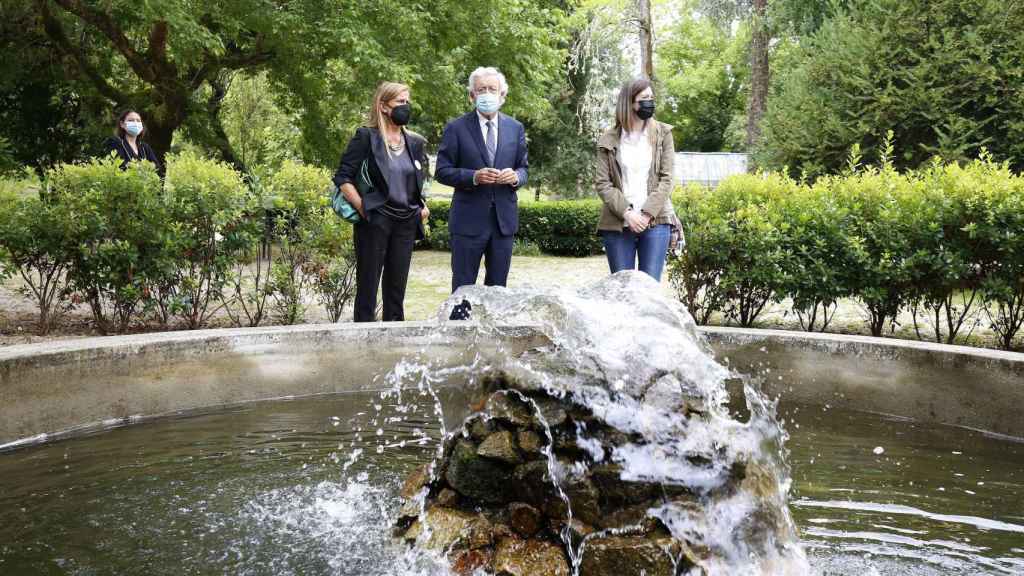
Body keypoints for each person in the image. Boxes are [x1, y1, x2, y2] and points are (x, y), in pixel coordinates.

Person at [332, 82, 430, 322]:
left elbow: (415, 178)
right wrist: (363, 208)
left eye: (407, 102)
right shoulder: (366, 137)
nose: (405, 107)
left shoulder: (414, 142)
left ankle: (394, 343)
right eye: (400, 102)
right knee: (368, 286)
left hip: (406, 221)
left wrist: (422, 206)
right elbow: (343, 177)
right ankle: (363, 341)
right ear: (384, 106)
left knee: (396, 290)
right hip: (376, 219)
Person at [436, 66, 529, 293]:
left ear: (502, 95)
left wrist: (515, 177)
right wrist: (473, 177)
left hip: (502, 223)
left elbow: (524, 168)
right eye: (481, 89)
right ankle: (459, 328)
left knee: (498, 290)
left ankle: (492, 328)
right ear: (472, 95)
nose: (486, 93)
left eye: (492, 89)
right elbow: (441, 170)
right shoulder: (456, 128)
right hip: (468, 221)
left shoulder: (515, 128)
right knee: (463, 288)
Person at [594, 78, 678, 281]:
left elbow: (667, 179)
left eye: (651, 97)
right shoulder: (608, 139)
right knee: (621, 289)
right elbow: (603, 183)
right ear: (629, 102)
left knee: (649, 290)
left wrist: (647, 214)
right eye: (644, 98)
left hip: (656, 222)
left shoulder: (663, 134)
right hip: (618, 223)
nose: (650, 102)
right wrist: (628, 214)